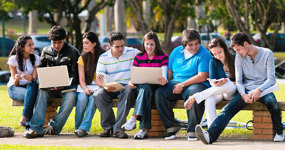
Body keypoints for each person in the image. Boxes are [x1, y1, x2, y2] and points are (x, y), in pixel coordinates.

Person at [195, 32, 284, 144]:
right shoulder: (239, 57)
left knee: (272, 102)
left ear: (246, 44)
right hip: (246, 90)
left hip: (264, 89)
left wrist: (259, 90)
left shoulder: (267, 53)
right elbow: (240, 81)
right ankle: (210, 136)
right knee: (228, 109)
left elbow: (271, 79)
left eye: (238, 49)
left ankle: (280, 132)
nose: (237, 53)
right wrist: (243, 94)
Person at [155, 29, 212, 140]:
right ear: (184, 44)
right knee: (159, 93)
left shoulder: (204, 53)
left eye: (197, 44)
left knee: (194, 94)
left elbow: (202, 76)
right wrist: (165, 81)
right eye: (190, 45)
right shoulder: (176, 52)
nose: (194, 47)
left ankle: (192, 129)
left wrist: (183, 85)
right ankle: (171, 126)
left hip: (197, 83)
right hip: (176, 83)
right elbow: (170, 73)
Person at [24, 26, 80, 138]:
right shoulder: (46, 51)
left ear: (64, 39)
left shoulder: (73, 52)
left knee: (70, 98)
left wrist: (63, 84)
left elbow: (75, 75)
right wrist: (47, 83)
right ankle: (36, 128)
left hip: (67, 87)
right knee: (42, 92)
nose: (56, 45)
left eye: (59, 42)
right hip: (50, 87)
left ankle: (54, 127)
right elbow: (41, 71)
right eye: (53, 42)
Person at [121, 32, 168, 139]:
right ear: (143, 44)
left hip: (157, 88)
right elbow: (134, 77)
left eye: (152, 44)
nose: (149, 47)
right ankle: (143, 129)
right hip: (140, 89)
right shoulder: (139, 57)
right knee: (145, 89)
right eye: (147, 44)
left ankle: (133, 118)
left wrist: (164, 80)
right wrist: (130, 83)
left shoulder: (163, 57)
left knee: (146, 89)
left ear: (156, 44)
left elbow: (164, 77)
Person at [94, 31, 139, 139]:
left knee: (128, 91)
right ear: (110, 46)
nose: (121, 49)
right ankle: (108, 128)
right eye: (117, 46)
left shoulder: (133, 52)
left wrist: (135, 80)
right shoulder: (103, 57)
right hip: (110, 87)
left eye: (122, 45)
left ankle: (118, 129)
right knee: (98, 94)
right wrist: (104, 86)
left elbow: (146, 58)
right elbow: (98, 79)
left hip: (127, 86)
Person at [184, 38, 236, 127]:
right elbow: (212, 79)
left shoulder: (235, 58)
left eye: (219, 52)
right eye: (214, 54)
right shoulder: (213, 61)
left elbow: (243, 79)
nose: (217, 56)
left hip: (232, 91)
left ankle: (195, 97)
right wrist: (215, 83)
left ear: (225, 48)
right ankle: (211, 131)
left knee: (228, 83)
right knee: (209, 100)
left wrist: (234, 82)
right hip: (218, 90)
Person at [74, 32, 105, 137]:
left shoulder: (104, 56)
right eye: (83, 43)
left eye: (87, 43)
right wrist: (85, 89)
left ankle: (83, 128)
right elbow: (81, 79)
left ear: (94, 44)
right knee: (82, 100)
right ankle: (78, 127)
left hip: (100, 86)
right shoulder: (82, 58)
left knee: (93, 100)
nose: (84, 45)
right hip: (85, 86)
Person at [7, 35, 40, 129]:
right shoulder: (13, 59)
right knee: (32, 95)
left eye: (33, 44)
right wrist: (17, 79)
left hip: (29, 87)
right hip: (15, 88)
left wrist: (31, 79)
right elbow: (14, 83)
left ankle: (24, 118)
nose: (33, 47)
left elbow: (34, 80)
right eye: (30, 45)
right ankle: (28, 124)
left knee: (33, 85)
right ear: (22, 47)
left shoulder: (36, 59)